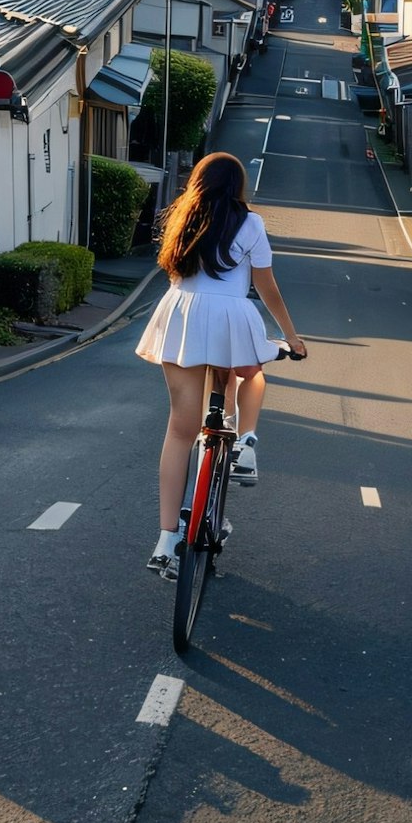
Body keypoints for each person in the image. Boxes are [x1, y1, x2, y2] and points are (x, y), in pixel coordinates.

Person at [135, 152, 306, 579]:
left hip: (181, 316)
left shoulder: (182, 218)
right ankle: (245, 442)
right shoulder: (250, 223)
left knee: (180, 430)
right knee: (252, 372)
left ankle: (165, 540)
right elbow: (267, 288)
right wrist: (292, 336)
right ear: (238, 187)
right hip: (230, 319)